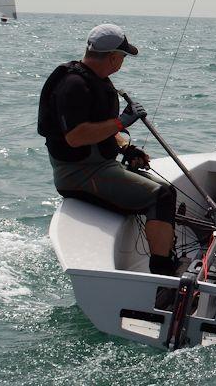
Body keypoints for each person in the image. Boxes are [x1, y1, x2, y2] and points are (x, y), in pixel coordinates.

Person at [38, 23, 178, 275]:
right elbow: (76, 137)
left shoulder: (96, 81)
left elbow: (102, 130)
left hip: (101, 166)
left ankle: (164, 255)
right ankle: (163, 273)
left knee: (168, 194)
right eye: (122, 57)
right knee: (162, 196)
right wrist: (121, 121)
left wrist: (127, 149)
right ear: (113, 57)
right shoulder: (74, 85)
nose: (122, 63)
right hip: (79, 176)